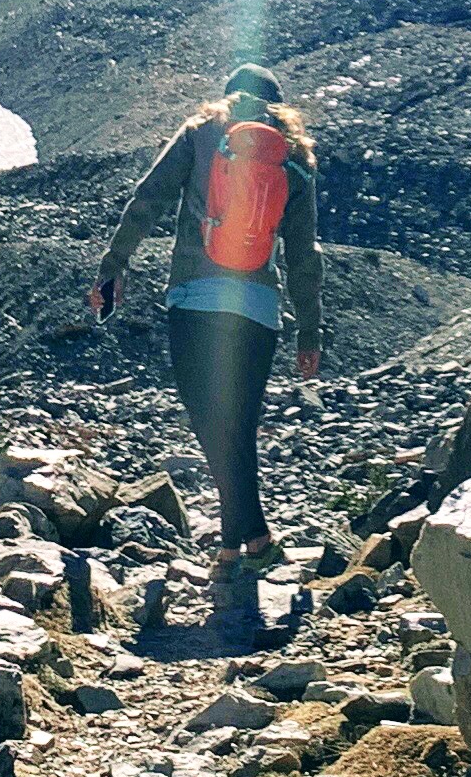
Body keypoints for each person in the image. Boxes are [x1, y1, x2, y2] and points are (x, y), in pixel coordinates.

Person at [93, 61, 324, 573]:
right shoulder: (295, 158)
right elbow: (305, 256)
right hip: (260, 309)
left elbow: (147, 200)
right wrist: (311, 330)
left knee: (211, 422)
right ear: (277, 104)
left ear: (227, 95)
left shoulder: (200, 135)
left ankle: (242, 541)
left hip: (196, 297)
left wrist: (115, 265)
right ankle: (249, 540)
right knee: (238, 423)